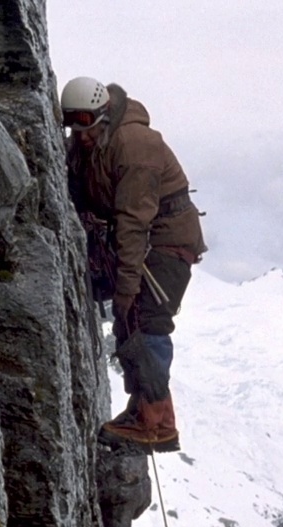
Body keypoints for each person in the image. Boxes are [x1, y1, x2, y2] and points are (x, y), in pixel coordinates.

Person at [61, 77, 206, 453]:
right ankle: (150, 415)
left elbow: (134, 221)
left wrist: (125, 287)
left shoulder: (135, 146)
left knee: (147, 321)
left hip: (167, 239)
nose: (84, 136)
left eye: (89, 126)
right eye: (76, 128)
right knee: (133, 325)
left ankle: (155, 423)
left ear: (104, 115)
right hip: (146, 237)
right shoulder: (87, 144)